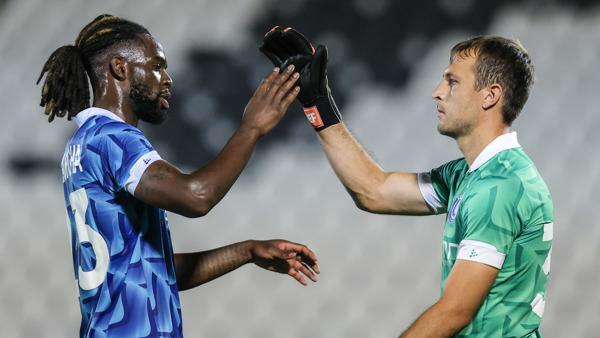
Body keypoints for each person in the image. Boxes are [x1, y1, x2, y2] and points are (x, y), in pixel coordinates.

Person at [37, 15, 320, 338]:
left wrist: (247, 251)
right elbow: (196, 196)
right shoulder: (115, 139)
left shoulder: (83, 143)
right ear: (120, 68)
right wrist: (251, 128)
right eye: (157, 65)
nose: (167, 78)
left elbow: (152, 271)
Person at [260, 28, 553, 337]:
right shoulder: (473, 174)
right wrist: (318, 104)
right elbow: (374, 191)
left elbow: (455, 311)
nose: (437, 91)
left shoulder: (500, 186)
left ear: (490, 95)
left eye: (452, 81)